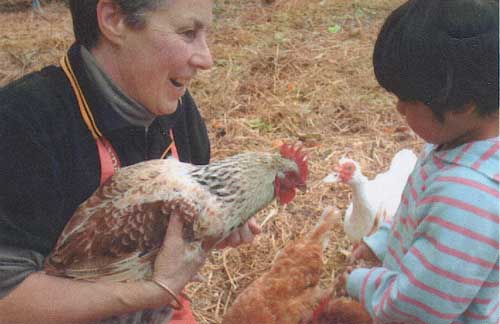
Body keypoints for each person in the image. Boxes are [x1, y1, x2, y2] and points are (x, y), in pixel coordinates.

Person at [0, 0, 261, 323]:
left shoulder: (175, 108)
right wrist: (155, 290)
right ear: (113, 20)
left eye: (205, 33)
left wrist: (209, 227)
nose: (207, 58)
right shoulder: (23, 124)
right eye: (188, 32)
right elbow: (6, 299)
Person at [345, 0, 499, 323]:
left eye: (407, 99)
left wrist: (358, 283)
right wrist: (384, 241)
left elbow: (415, 309)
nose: (399, 109)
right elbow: (419, 213)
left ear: (463, 105)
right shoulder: (456, 141)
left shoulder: (468, 199)